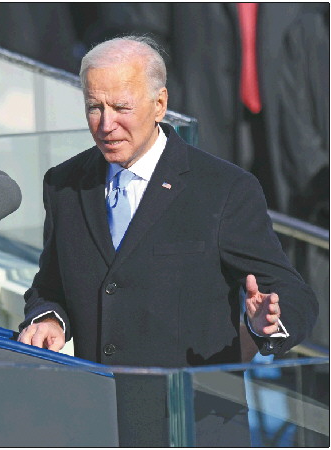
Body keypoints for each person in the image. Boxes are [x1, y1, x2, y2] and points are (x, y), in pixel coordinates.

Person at [16, 36, 317, 446]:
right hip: (99, 424)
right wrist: (49, 317)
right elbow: (51, 286)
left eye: (121, 107)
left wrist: (269, 321)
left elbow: (293, 293)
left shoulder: (223, 189)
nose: (105, 124)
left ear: (159, 104)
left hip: (192, 425)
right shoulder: (64, 184)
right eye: (94, 107)